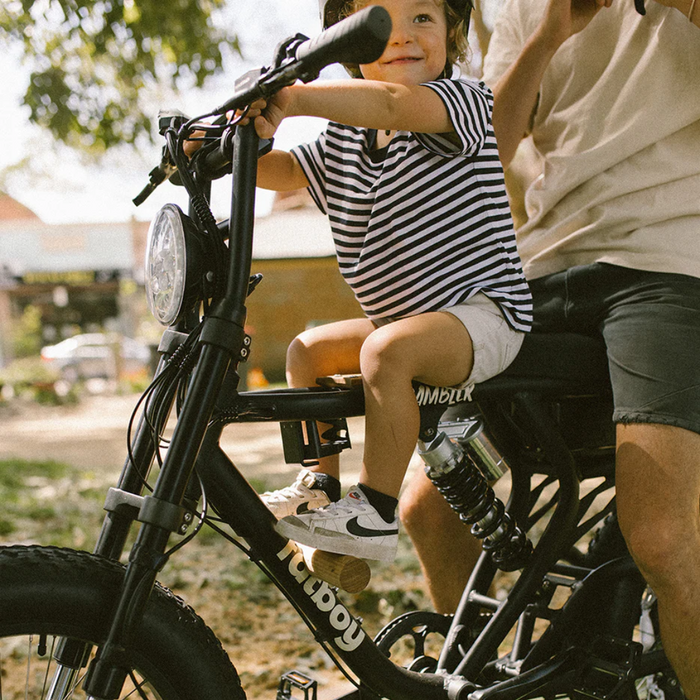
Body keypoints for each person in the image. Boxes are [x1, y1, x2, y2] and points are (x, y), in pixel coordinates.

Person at [398, 0, 700, 693]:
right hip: (544, 269)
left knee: (659, 534)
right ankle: (477, 680)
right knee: (428, 508)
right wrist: (553, 29)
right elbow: (487, 148)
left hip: (671, 264)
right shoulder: (522, 9)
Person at [249, 0, 532, 563]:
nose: (401, 37)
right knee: (305, 352)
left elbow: (394, 105)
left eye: (421, 19)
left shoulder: (462, 102)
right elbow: (280, 171)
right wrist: (227, 142)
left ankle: (373, 512)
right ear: (349, 50)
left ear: (452, 35)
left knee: (385, 351)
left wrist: (293, 96)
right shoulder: (344, 141)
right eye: (380, 27)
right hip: (402, 320)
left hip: (484, 313)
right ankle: (320, 485)